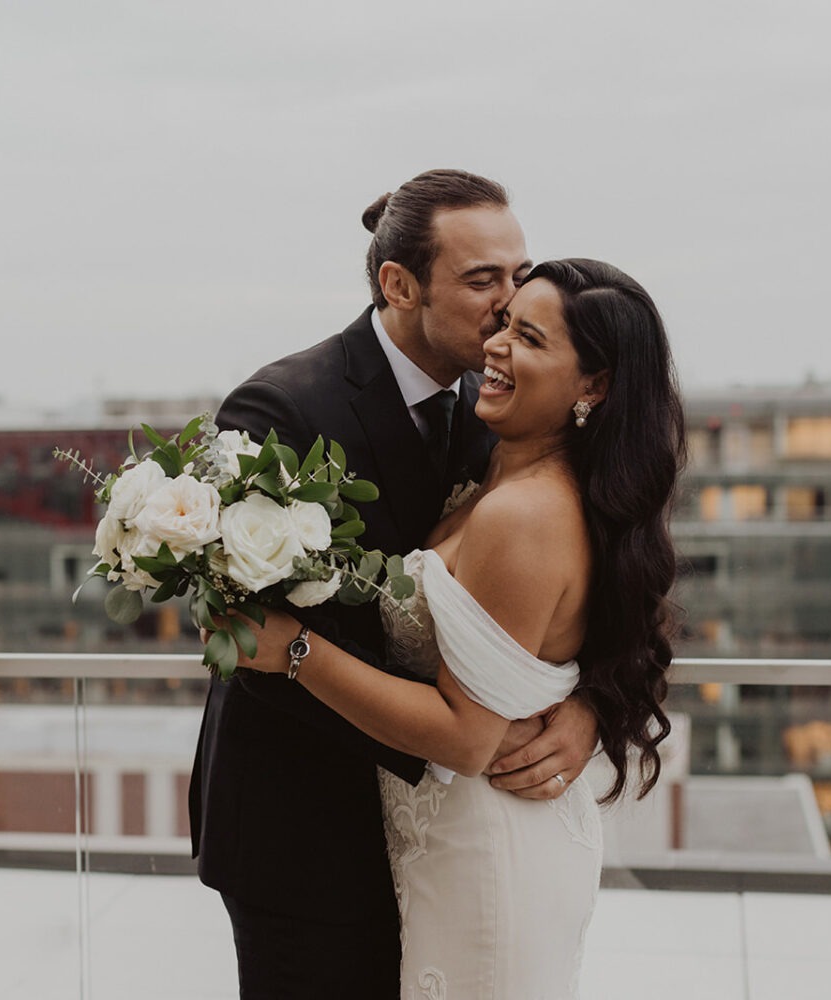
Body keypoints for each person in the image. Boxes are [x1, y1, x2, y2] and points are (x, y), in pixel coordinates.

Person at [187, 169, 603, 998]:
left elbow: (610, 572)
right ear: (399, 284)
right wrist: (459, 736)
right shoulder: (280, 410)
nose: (508, 304)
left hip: (455, 837)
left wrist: (590, 705)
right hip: (306, 834)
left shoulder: (512, 408)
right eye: (482, 280)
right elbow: (253, 643)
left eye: (519, 276)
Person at [236, 257, 685, 998]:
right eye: (505, 324)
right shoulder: (498, 466)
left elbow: (468, 737)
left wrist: (294, 648)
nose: (497, 347)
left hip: (489, 844)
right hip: (440, 841)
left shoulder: (525, 511)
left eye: (531, 339)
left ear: (594, 387)